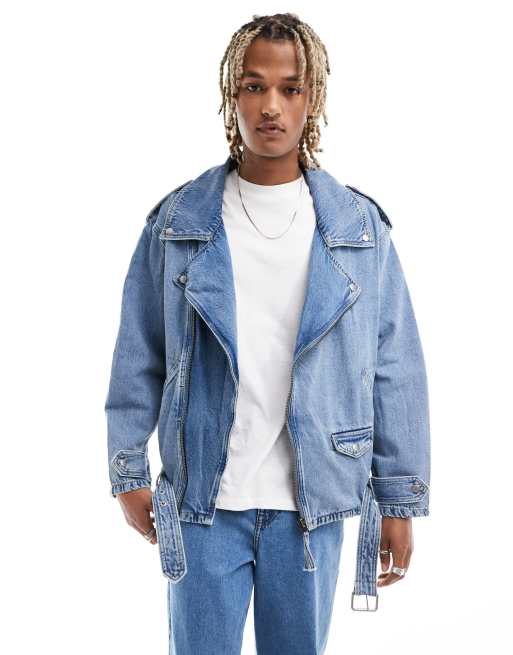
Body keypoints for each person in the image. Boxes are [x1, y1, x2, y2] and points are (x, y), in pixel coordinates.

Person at [104, 12, 431, 654]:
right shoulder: (178, 223)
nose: (271, 106)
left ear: (314, 98)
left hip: (312, 508)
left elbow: (395, 365)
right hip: (203, 503)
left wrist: (399, 501)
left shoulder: (358, 230)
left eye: (290, 88)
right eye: (254, 86)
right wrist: (127, 470)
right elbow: (139, 353)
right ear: (232, 94)